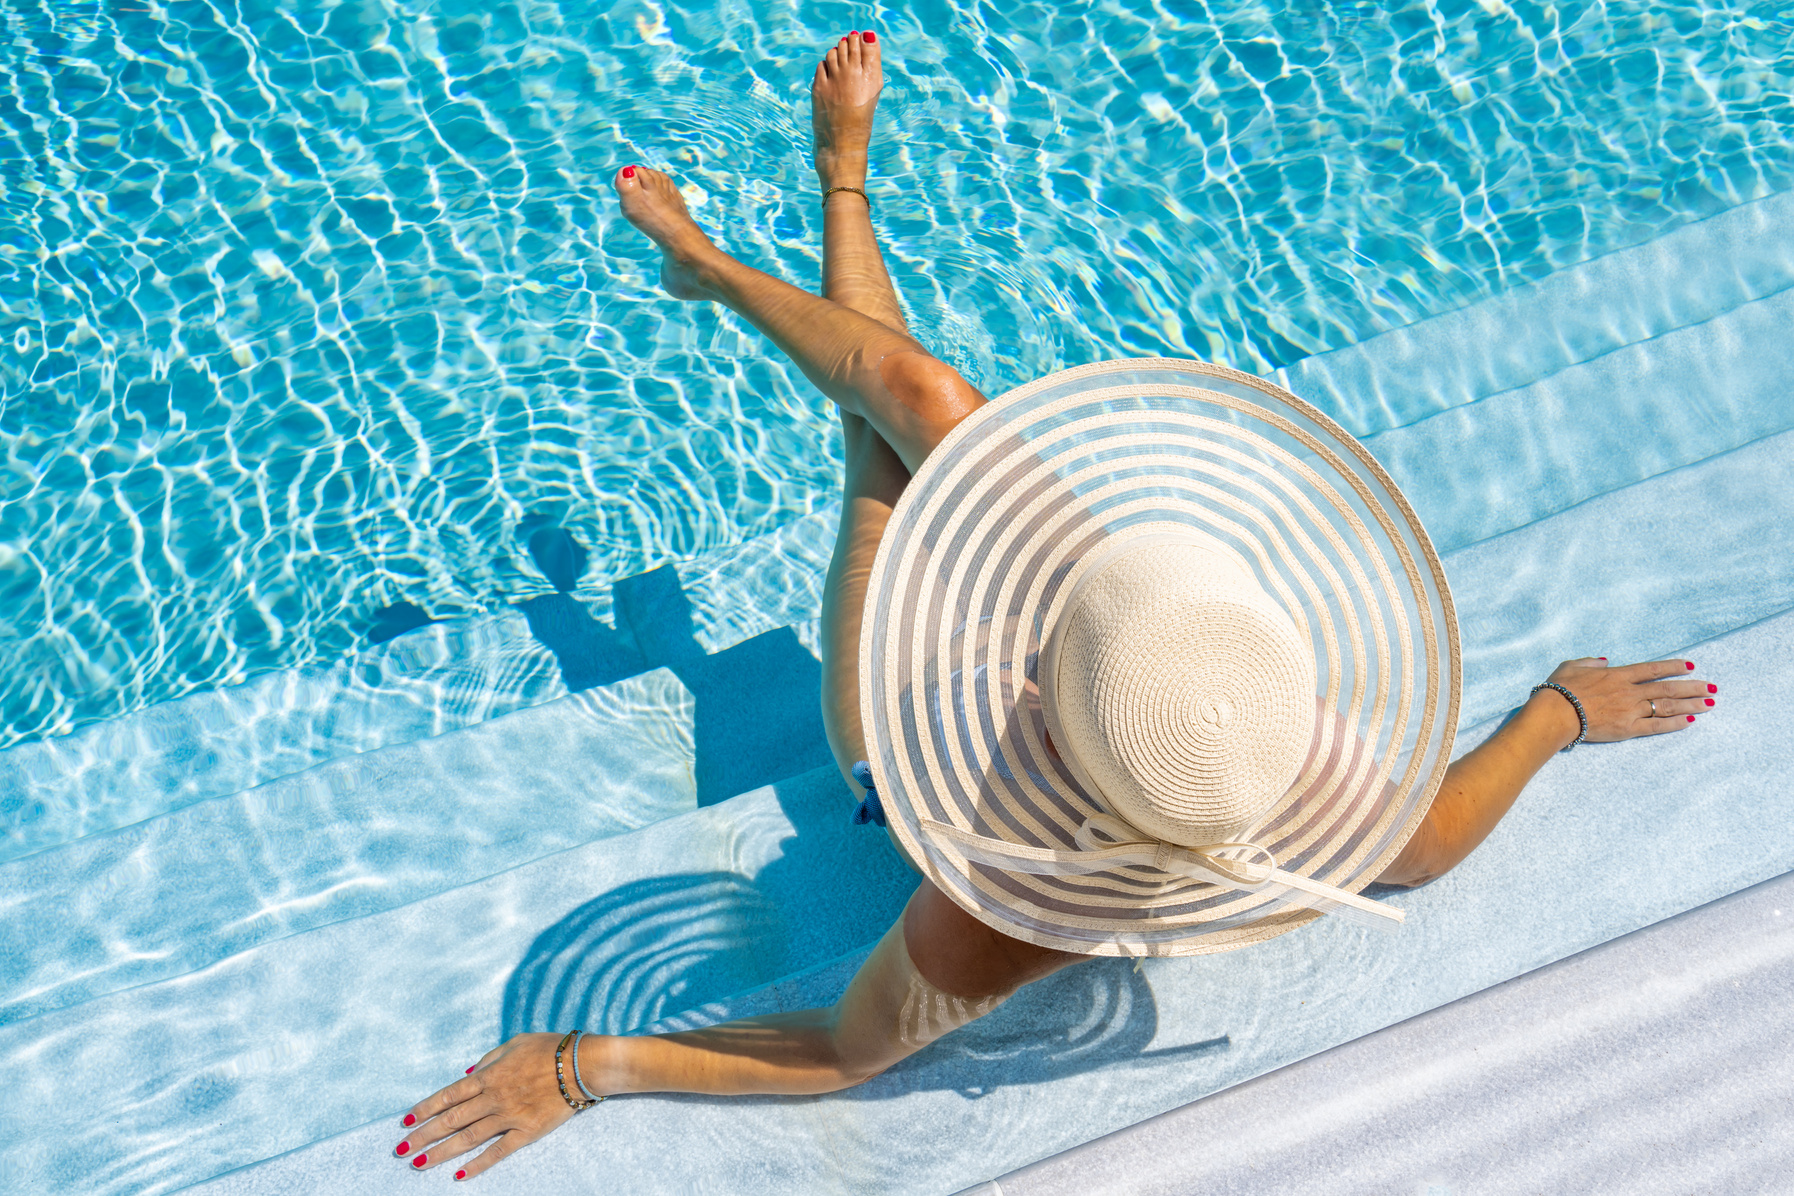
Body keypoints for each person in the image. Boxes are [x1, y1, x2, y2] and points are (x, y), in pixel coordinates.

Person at [392, 32, 1717, 1181]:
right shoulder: (1247, 723)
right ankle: (788, 233)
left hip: (907, 737)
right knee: (921, 405)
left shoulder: (1010, 903)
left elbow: (843, 1052)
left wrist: (583, 1066)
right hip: (1104, 640)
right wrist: (1551, 716)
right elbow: (1420, 844)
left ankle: (737, 246)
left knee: (879, 467)